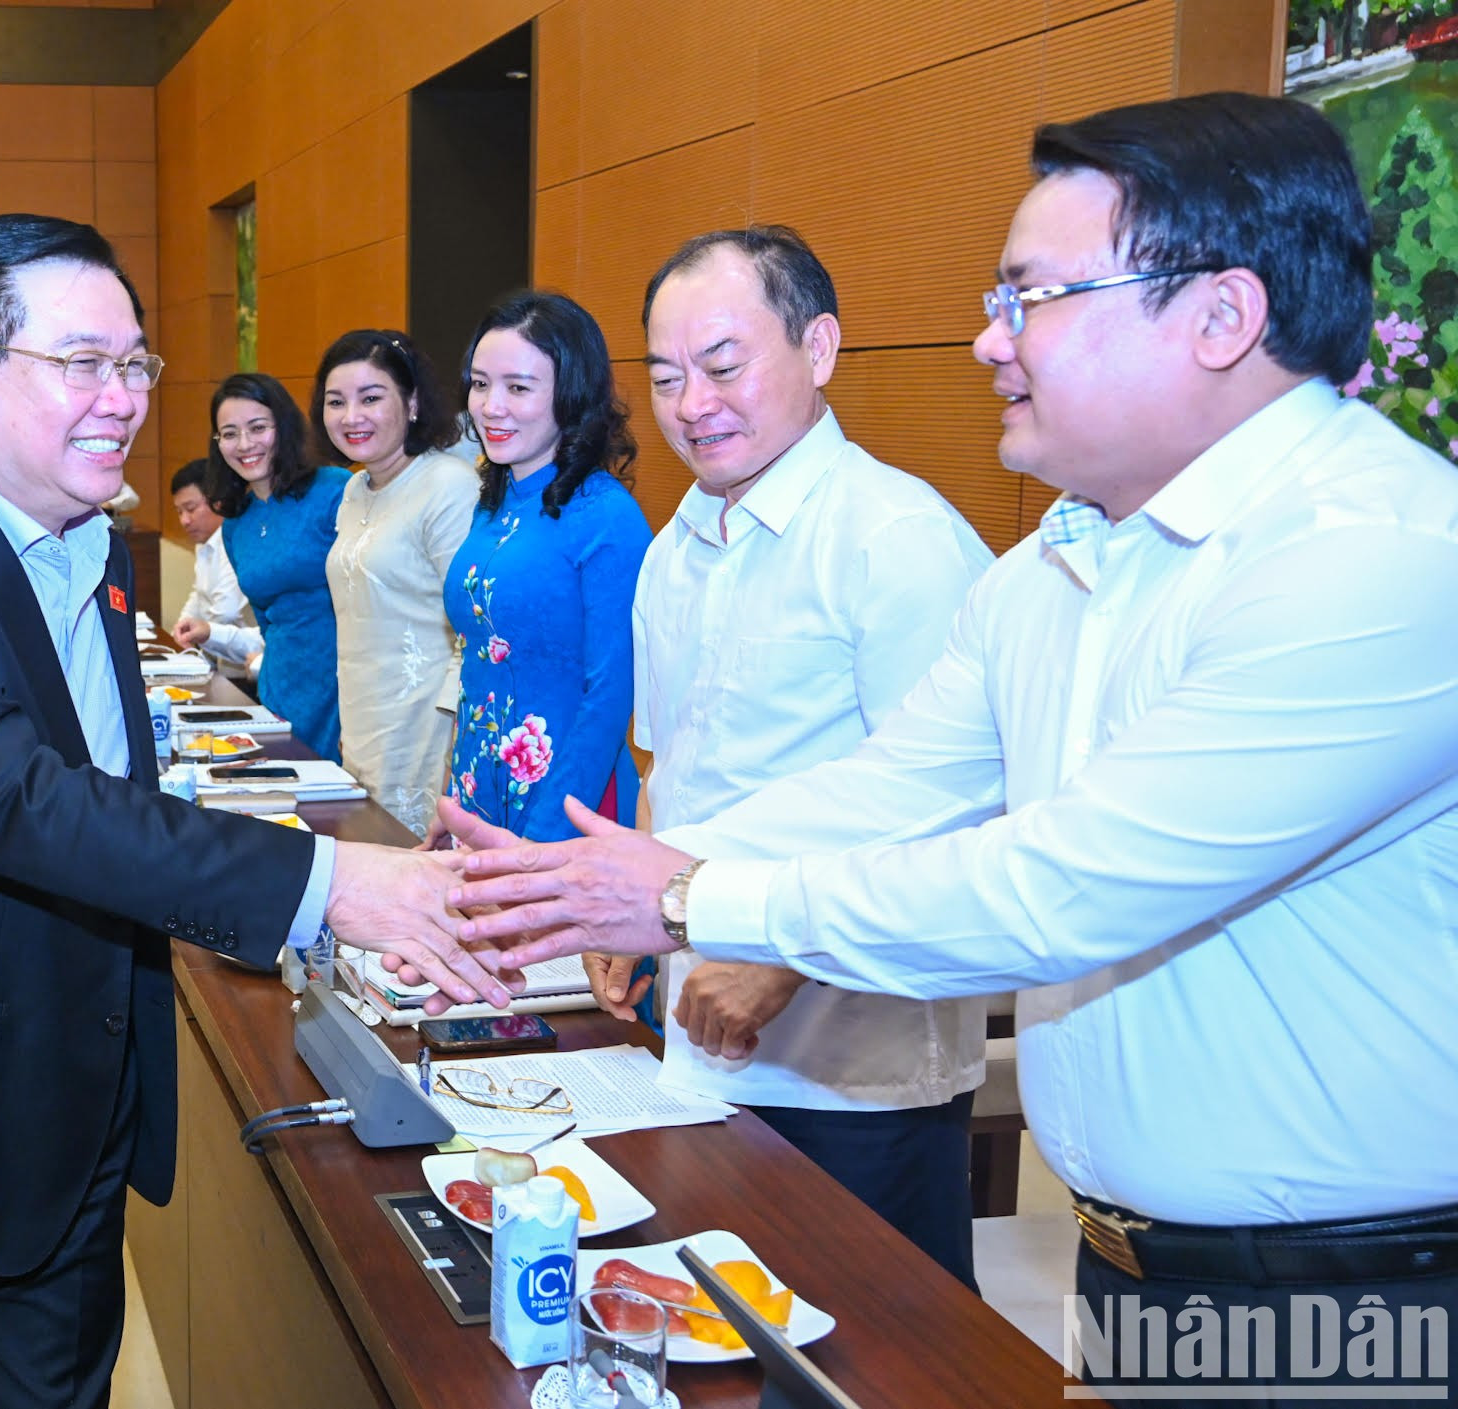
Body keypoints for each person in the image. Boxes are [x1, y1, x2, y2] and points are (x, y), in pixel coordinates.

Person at [448, 94, 1458, 1404]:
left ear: (1222, 314)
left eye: (1031, 297)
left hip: (1355, 1291)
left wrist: (690, 898)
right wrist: (618, 876)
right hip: (1142, 1260)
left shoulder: (1374, 555)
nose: (989, 341)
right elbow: (892, 785)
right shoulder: (1064, 557)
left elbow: (1056, 888)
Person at [0, 213, 503, 1409]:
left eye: (134, 364)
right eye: (82, 363)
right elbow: (15, 798)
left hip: (62, 1122)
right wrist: (334, 883)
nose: (124, 397)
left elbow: (96, 790)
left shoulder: (90, 548)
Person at [623, 227, 1001, 1285]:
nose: (693, 402)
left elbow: (963, 804)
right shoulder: (675, 549)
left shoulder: (898, 538)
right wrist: (636, 915)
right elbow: (672, 764)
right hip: (701, 1052)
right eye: (665, 376)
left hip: (857, 1077)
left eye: (724, 364)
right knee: (719, 1348)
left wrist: (788, 953)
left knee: (882, 1367)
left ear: (820, 347)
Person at [423, 291, 650, 849]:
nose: (490, 406)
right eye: (480, 384)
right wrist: (453, 802)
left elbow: (610, 694)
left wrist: (545, 837)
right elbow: (477, 666)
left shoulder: (605, 516)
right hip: (480, 792)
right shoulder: (493, 500)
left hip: (567, 805)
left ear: (570, 395)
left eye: (518, 387)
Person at [318, 329, 479, 835]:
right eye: (335, 401)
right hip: (363, 719)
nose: (351, 417)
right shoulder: (353, 489)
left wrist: (458, 748)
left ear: (410, 403)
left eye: (371, 398)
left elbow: (474, 630)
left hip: (427, 726)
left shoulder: (448, 487)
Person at [208, 371, 348, 760]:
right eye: (229, 433)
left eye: (257, 428)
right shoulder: (236, 524)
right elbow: (267, 620)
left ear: (283, 427)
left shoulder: (334, 489)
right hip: (283, 682)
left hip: (344, 684)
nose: (245, 444)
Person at [169, 457, 262, 671]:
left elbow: (225, 611)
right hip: (221, 658)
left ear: (217, 502)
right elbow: (198, 594)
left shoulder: (237, 540)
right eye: (179, 512)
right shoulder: (204, 542)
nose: (184, 520)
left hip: (247, 665)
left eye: (191, 509)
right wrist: (182, 626)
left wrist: (198, 632)